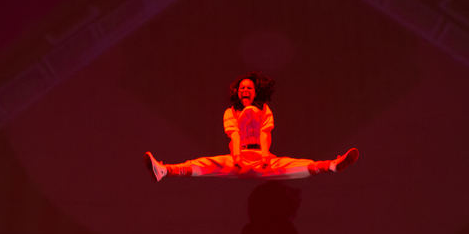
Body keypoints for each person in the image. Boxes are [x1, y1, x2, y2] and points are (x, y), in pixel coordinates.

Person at [145, 72, 358, 181]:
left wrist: (265, 159)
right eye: (242, 88)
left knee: (292, 164)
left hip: (262, 158)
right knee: (206, 164)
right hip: (239, 159)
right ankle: (165, 170)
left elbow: (265, 134)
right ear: (237, 92)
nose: (245, 90)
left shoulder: (265, 109)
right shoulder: (231, 112)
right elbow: (234, 135)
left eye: (249, 88)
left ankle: (331, 165)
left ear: (256, 92)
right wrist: (237, 159)